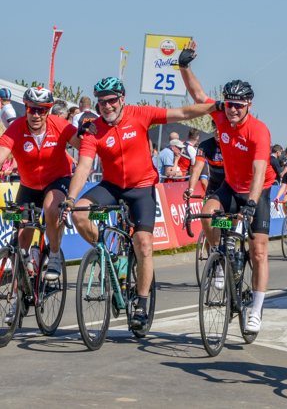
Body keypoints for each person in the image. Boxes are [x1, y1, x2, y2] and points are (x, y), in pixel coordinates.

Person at [61, 77, 217, 331]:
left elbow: (183, 112)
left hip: (142, 187)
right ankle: (109, 259)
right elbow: (84, 167)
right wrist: (70, 199)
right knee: (80, 215)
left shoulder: (140, 114)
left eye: (112, 100)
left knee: (144, 244)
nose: (107, 106)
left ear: (122, 98)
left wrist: (215, 107)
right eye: (102, 102)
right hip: (111, 186)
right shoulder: (92, 129)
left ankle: (142, 304)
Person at [179, 40, 276, 334]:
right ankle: (219, 260)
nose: (232, 110)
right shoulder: (220, 114)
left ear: (249, 106)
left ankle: (256, 310)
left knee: (258, 252)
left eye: (239, 106)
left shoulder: (259, 131)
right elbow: (198, 96)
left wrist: (250, 204)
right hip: (231, 186)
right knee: (207, 214)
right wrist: (184, 65)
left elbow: (260, 171)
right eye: (229, 104)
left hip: (257, 189)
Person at [0, 86, 83, 324]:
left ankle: (54, 255)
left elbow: (85, 147)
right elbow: (2, 152)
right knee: (22, 237)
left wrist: (89, 134)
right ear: (25, 109)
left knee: (51, 208)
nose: (36, 115)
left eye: (41, 110)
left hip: (57, 180)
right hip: (28, 185)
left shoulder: (59, 124)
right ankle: (17, 296)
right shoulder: (16, 128)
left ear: (48, 111)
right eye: (31, 109)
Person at [184, 120, 224, 197]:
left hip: (231, 185)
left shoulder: (234, 143)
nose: (218, 132)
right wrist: (191, 189)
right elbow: (197, 168)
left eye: (220, 129)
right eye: (215, 129)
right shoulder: (205, 145)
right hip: (214, 184)